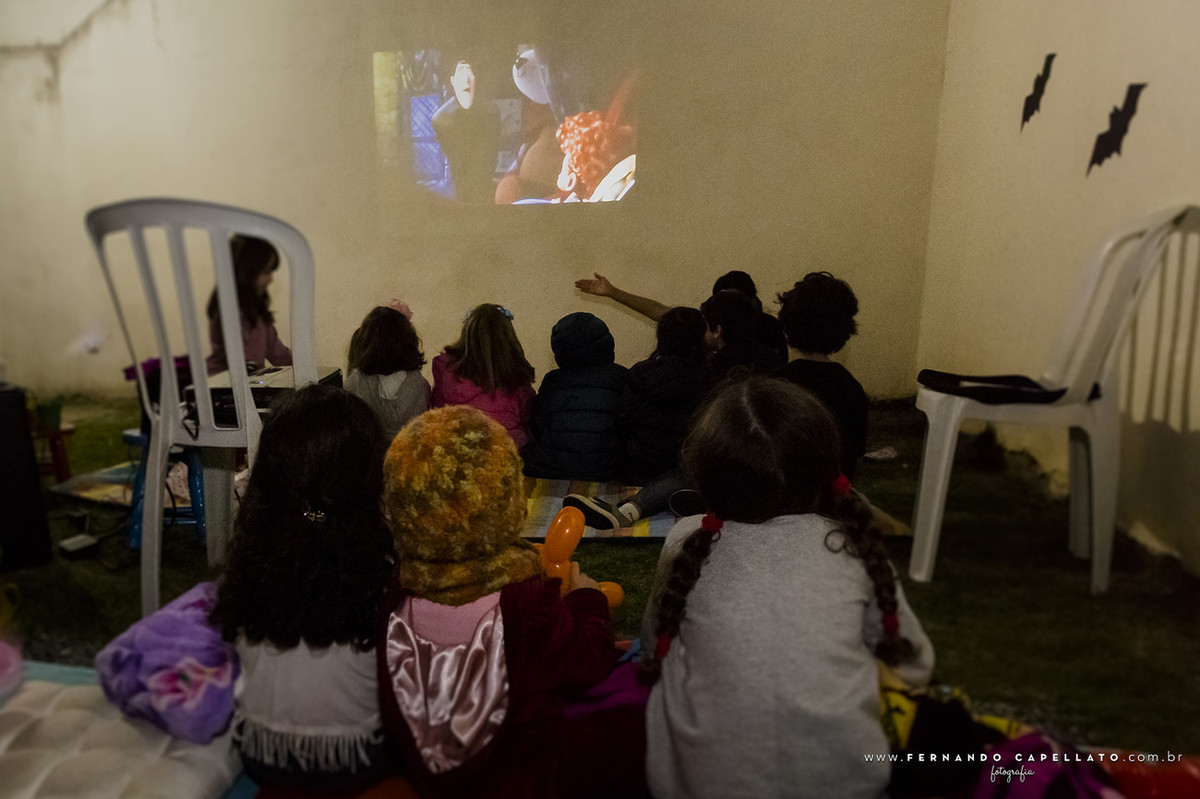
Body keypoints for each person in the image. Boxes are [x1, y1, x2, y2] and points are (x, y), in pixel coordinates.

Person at [639, 376, 934, 798]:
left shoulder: (686, 539)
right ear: (828, 475)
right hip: (850, 784)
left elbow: (654, 646)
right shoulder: (853, 546)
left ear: (703, 478)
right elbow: (914, 663)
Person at [378, 405, 636, 798]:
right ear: (508, 502)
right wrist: (587, 598)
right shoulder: (527, 602)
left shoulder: (395, 596)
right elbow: (589, 660)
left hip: (428, 779)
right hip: (518, 780)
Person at [208, 384, 397, 792]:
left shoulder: (250, 558)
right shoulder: (381, 567)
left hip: (261, 756)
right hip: (359, 758)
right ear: (369, 474)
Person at [776, 271, 869, 480]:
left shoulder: (776, 385)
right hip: (833, 491)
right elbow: (855, 455)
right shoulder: (850, 386)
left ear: (787, 326)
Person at [521, 312, 627, 481]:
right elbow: (627, 426)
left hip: (549, 468)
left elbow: (537, 424)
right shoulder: (622, 377)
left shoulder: (552, 380)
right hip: (604, 470)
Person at [619, 307, 712, 486]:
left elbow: (623, 420)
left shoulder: (641, 373)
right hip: (686, 467)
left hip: (640, 463)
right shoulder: (709, 377)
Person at [432, 303, 537, 447]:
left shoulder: (444, 367)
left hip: (456, 450)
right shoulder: (516, 371)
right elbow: (527, 416)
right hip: (504, 451)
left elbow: (437, 409)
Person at [205, 234, 293, 375]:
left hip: (249, 382)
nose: (271, 279)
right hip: (223, 384)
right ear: (246, 272)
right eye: (266, 272)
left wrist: (303, 369)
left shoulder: (257, 312)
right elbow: (244, 364)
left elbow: (278, 353)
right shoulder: (226, 312)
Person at [344, 304, 431, 441]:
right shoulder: (419, 384)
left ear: (365, 342)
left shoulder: (355, 382)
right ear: (408, 341)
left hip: (370, 452)